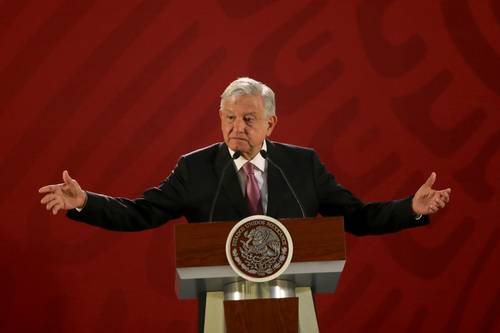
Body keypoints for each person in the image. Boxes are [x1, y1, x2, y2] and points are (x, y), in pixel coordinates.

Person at [39, 77, 451, 234]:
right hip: (221, 301)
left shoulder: (301, 166)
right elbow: (141, 213)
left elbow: (356, 217)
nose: (237, 127)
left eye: (249, 118)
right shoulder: (195, 168)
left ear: (271, 124)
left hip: (293, 298)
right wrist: (85, 203)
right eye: (230, 118)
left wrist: (409, 209)